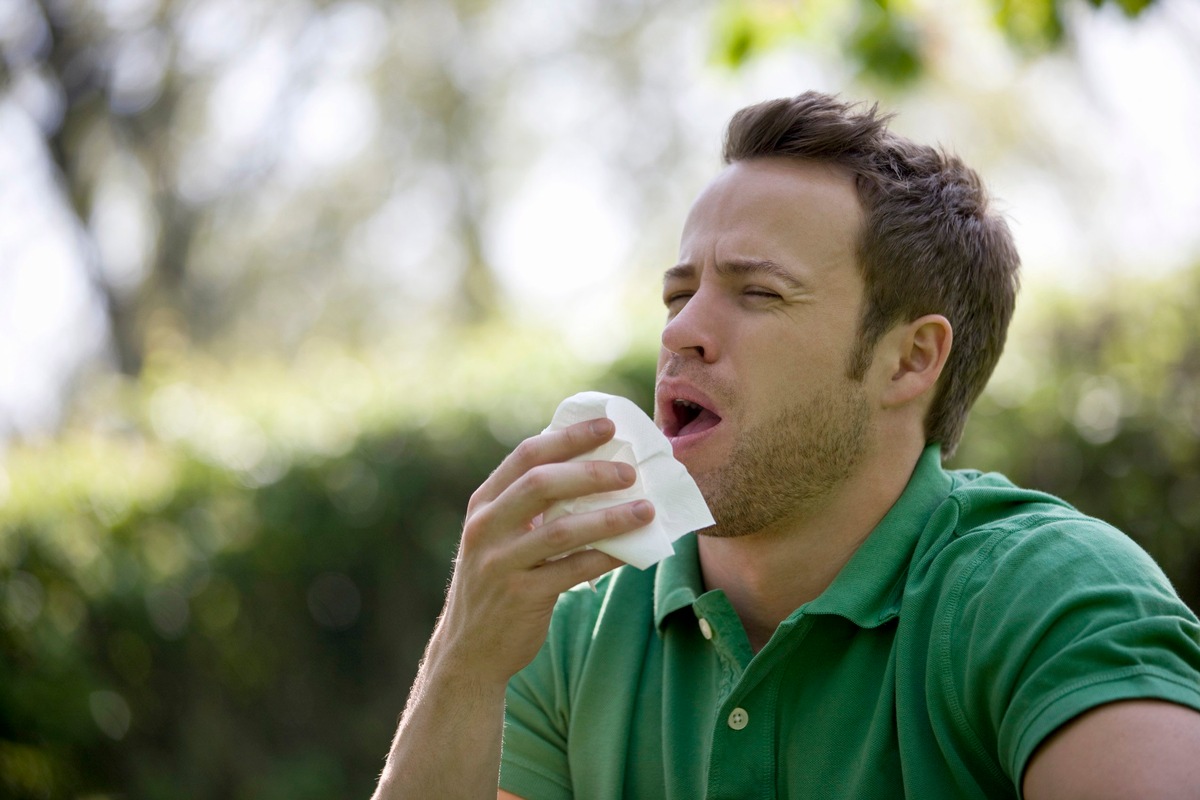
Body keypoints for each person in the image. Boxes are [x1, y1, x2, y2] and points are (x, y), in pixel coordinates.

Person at [372, 92, 1200, 799]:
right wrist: (465, 655)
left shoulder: (1044, 595)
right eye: (679, 292)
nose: (683, 331)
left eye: (758, 292)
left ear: (909, 359)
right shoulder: (572, 633)